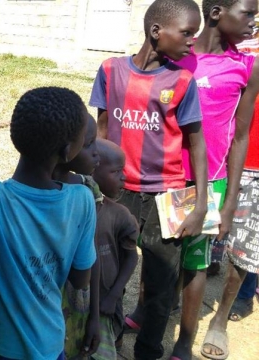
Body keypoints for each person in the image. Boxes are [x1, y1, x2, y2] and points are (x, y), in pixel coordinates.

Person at [89, 0, 208, 358]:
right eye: (187, 33)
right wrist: (92, 183)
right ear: (157, 31)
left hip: (168, 195)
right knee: (106, 274)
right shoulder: (110, 70)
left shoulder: (183, 81)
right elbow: (102, 129)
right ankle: (110, 339)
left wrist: (200, 203)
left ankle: (149, 349)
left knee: (160, 282)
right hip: (117, 190)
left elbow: (197, 143)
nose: (192, 42)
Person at [0, 87, 97, 359]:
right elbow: (81, 278)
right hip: (52, 345)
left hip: (3, 348)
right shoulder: (82, 201)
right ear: (67, 152)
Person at [200, 4, 259, 356]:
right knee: (192, 242)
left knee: (245, 247)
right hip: (219, 162)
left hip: (252, 165)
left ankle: (220, 317)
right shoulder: (244, 47)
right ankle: (164, 303)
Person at [53, 114, 101, 359]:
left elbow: (93, 258)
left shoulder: (88, 189)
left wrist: (95, 315)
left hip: (77, 305)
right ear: (67, 149)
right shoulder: (35, 192)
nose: (97, 153)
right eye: (89, 143)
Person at [91, 139, 139, 360]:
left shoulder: (120, 215)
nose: (124, 177)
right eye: (117, 171)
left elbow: (131, 258)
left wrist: (114, 294)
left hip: (107, 299)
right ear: (92, 170)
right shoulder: (71, 206)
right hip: (78, 302)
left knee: (107, 343)